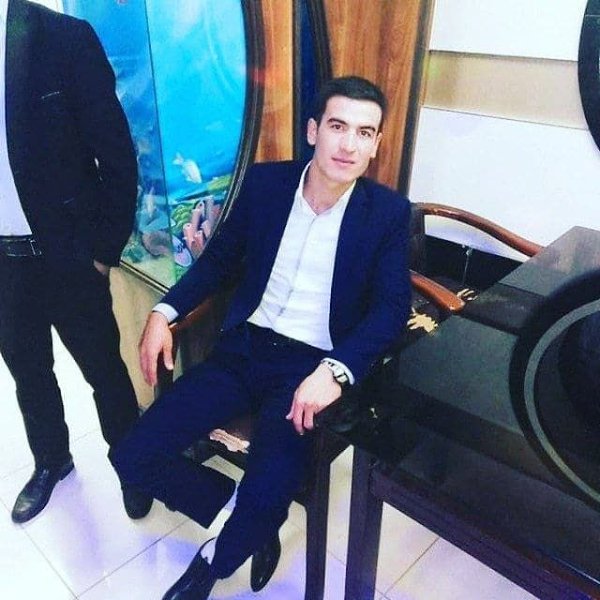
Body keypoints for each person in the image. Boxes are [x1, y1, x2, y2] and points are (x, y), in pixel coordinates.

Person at [111, 75, 412, 599]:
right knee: (132, 455)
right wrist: (163, 312)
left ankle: (215, 561)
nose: (349, 144)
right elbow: (220, 261)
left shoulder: (386, 213)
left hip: (309, 370)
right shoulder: (268, 184)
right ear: (313, 131)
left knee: (272, 481)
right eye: (338, 126)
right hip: (243, 350)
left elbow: (391, 310)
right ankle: (240, 516)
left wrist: (336, 370)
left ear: (376, 144)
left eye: (365, 133)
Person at [0, 0, 151, 523]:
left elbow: (117, 153)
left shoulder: (62, 36)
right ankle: (52, 460)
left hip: (70, 253)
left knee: (103, 369)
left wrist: (104, 250)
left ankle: (133, 465)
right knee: (28, 373)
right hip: (4, 261)